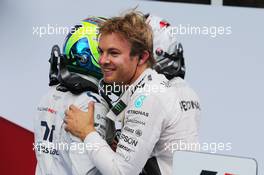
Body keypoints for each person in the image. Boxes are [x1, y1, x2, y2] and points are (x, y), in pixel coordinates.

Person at [64, 12, 200, 175]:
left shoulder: (149, 96)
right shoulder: (145, 86)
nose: (102, 60)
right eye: (101, 52)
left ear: (142, 57)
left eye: (114, 53)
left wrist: (86, 131)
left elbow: (121, 172)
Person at [34, 17, 114, 175]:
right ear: (87, 52)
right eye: (105, 51)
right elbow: (87, 171)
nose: (111, 59)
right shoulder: (93, 103)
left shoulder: (50, 94)